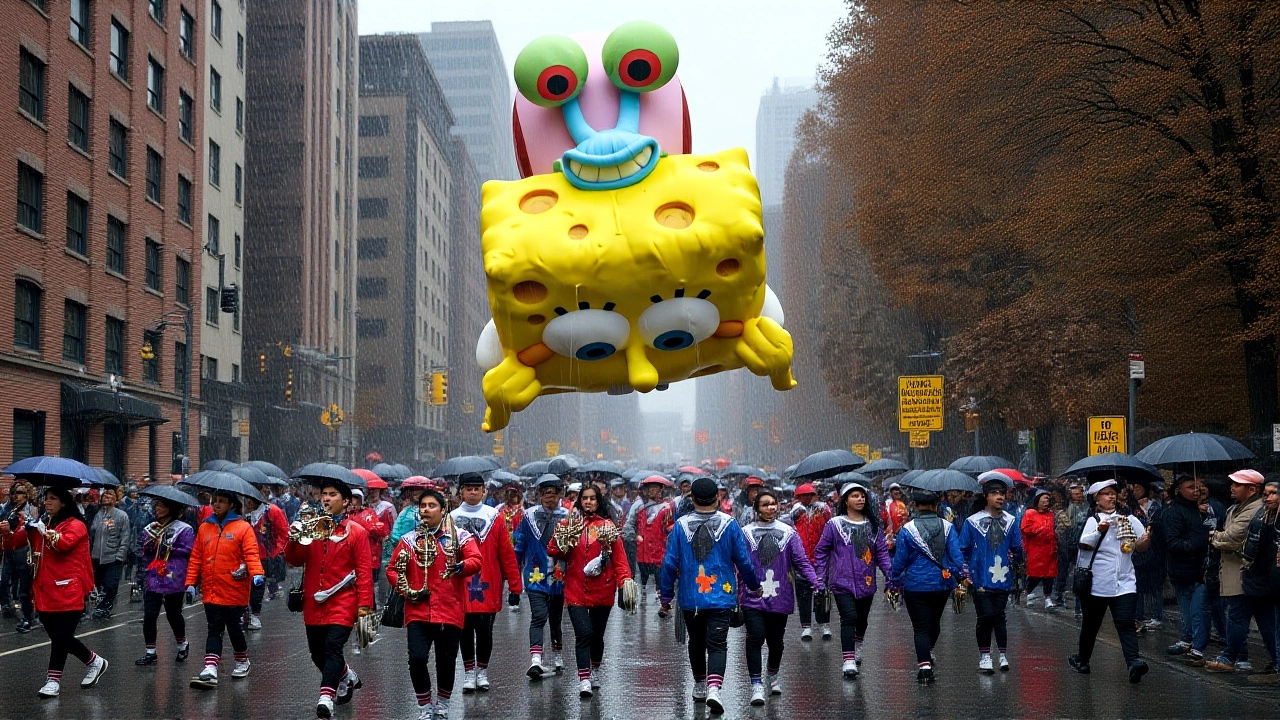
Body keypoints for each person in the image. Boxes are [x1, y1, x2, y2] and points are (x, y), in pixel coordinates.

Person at [659, 477, 762, 715]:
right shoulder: (730, 524)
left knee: (696, 642)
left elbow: (669, 564)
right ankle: (714, 689)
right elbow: (743, 561)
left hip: (690, 597)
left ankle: (699, 684)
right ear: (718, 497)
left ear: (692, 499)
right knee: (717, 645)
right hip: (722, 595)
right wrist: (754, 585)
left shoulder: (680, 526)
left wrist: (666, 596)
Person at [386, 486, 483, 720]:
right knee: (417, 659)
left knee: (446, 660)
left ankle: (442, 705)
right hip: (417, 611)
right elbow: (392, 569)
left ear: (443, 510)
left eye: (432, 506)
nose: (426, 510)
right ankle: (424, 706)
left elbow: (476, 559)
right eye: (423, 506)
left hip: (449, 610)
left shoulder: (459, 536)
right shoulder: (409, 540)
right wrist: (407, 589)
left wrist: (462, 566)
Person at [285, 480, 375, 718]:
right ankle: (346, 675)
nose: (325, 498)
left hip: (343, 601)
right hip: (313, 601)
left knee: (332, 647)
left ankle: (326, 697)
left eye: (332, 494)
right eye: (323, 494)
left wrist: (365, 606)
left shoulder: (357, 532)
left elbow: (364, 571)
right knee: (316, 653)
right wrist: (293, 539)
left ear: (345, 501)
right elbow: (294, 560)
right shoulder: (311, 528)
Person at [547, 484, 633, 698]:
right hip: (575, 590)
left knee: (597, 636)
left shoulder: (608, 527)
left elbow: (619, 559)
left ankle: (594, 670)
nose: (587, 502)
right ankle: (584, 679)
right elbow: (552, 550)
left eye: (592, 498)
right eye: (584, 498)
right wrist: (563, 543)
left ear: (598, 501)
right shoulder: (569, 524)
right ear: (579, 501)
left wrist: (625, 582)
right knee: (583, 634)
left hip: (602, 590)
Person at [739, 489, 820, 703]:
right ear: (756, 508)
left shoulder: (788, 532)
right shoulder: (745, 532)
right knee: (755, 637)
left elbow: (801, 561)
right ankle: (756, 684)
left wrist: (815, 581)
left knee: (776, 641)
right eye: (765, 504)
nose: (770, 508)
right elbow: (737, 563)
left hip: (780, 594)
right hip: (752, 595)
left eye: (773, 504)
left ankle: (772, 675)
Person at [1067, 479, 1151, 683]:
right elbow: (1083, 545)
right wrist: (1099, 531)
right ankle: (1083, 659)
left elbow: (1141, 546)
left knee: (1125, 623)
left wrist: (1145, 539)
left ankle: (1133, 663)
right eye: (1105, 494)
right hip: (1096, 583)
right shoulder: (1093, 520)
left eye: (1113, 493)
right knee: (1091, 625)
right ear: (1096, 500)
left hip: (1124, 582)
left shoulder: (1129, 519)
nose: (1111, 496)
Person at [29, 486, 108, 697]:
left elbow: (63, 543)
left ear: (64, 502)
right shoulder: (45, 523)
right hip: (44, 589)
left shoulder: (76, 524)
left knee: (61, 636)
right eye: (45, 499)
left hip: (69, 588)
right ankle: (94, 661)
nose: (47, 502)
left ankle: (53, 681)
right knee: (58, 636)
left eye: (53, 498)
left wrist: (45, 532)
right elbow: (26, 546)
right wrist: (10, 532)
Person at [450, 472, 522, 693]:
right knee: (464, 630)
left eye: (477, 488)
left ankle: (482, 670)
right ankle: (469, 672)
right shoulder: (450, 518)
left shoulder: (495, 516)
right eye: (468, 488)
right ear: (461, 491)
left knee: (484, 630)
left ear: (483, 491)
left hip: (488, 582)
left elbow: (506, 553)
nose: (473, 492)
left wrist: (515, 585)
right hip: (459, 582)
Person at [186, 490, 264, 689]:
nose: (216, 504)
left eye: (221, 501)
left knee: (234, 628)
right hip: (211, 589)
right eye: (214, 501)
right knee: (214, 628)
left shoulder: (243, 528)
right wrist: (191, 583)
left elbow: (251, 554)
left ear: (231, 505)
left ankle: (242, 660)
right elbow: (196, 557)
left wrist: (256, 574)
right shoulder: (205, 527)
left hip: (234, 589)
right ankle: (210, 667)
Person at [814, 481, 892, 680]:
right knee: (848, 618)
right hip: (842, 582)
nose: (860, 499)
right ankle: (848, 660)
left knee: (861, 620)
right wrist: (820, 578)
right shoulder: (834, 524)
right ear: (846, 501)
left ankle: (858, 645)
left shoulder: (873, 526)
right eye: (855, 496)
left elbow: (881, 553)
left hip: (867, 582)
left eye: (862, 496)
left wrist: (892, 576)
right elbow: (821, 551)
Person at [889, 489, 967, 683]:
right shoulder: (948, 527)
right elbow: (957, 558)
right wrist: (960, 576)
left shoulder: (907, 529)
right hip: (941, 584)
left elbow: (899, 561)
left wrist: (895, 582)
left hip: (915, 585)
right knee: (934, 622)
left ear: (914, 505)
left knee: (920, 628)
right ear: (937, 505)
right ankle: (929, 651)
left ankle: (924, 666)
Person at [959, 478, 1024, 673]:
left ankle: (1003, 655)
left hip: (1003, 576)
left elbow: (1017, 547)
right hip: (979, 577)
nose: (1000, 497)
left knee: (999, 616)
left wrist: (1016, 559)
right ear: (986, 496)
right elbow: (962, 549)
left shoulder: (1011, 520)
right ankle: (985, 656)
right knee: (985, 616)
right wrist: (965, 572)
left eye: (1002, 494)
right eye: (995, 493)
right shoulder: (972, 522)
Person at [1205, 469, 1266, 673]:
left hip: (1244, 573)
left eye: (1237, 484)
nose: (1232, 487)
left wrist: (1214, 537)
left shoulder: (1254, 510)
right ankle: (1244, 658)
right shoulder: (1235, 508)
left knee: (1238, 617)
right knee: (1261, 620)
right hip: (1235, 573)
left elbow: (1231, 538)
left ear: (1252, 489)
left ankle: (1229, 657)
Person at [513, 474, 568, 678]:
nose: (549, 498)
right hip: (535, 576)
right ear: (538, 495)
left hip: (559, 577)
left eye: (553, 494)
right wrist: (514, 575)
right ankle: (536, 659)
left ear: (560, 494)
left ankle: (557, 654)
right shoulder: (527, 516)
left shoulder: (568, 516)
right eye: (545, 494)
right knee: (538, 616)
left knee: (555, 619)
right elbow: (519, 545)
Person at [134, 496, 195, 666]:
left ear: (170, 508)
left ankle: (182, 643)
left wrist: (168, 546)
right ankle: (150, 652)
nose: (157, 508)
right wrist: (150, 545)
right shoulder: (150, 528)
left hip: (174, 577)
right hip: (153, 577)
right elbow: (141, 551)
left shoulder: (184, 529)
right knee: (149, 615)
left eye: (161, 505)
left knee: (173, 614)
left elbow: (189, 550)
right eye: (156, 505)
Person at [1163, 475, 1214, 664]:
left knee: (1199, 609)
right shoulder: (1174, 512)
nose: (1196, 491)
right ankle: (1189, 639)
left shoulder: (1202, 510)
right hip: (1183, 569)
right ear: (1179, 490)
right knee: (1188, 610)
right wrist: (1199, 541)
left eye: (1199, 487)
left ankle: (1197, 646)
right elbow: (1173, 542)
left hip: (1202, 571)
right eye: (1190, 487)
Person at [1241, 479, 1280, 674]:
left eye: (1273, 493)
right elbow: (1252, 545)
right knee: (1269, 625)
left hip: (1274, 577)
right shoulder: (1261, 516)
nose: (1268, 497)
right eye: (1265, 493)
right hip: (1261, 577)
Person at [786, 483, 832, 640]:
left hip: (821, 559)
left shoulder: (823, 510)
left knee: (822, 592)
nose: (807, 498)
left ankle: (824, 623)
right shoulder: (795, 514)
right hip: (801, 559)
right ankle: (806, 626)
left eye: (810, 495)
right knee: (803, 594)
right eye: (803, 496)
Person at [244, 489, 289, 629]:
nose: (248, 503)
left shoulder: (272, 511)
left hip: (264, 557)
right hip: (244, 556)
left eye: (251, 499)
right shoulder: (243, 514)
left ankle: (255, 615)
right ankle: (245, 614)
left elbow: (283, 533)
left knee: (257, 587)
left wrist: (275, 552)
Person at [626, 476, 675, 602]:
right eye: (651, 488)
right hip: (642, 549)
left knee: (659, 575)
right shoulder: (638, 505)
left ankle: (663, 602)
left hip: (659, 548)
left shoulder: (666, 507)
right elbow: (629, 525)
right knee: (643, 576)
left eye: (657, 488)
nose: (654, 491)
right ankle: (641, 599)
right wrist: (635, 536)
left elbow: (669, 526)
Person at [88, 487, 132, 619]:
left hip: (113, 557)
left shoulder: (121, 516)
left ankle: (105, 607)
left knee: (110, 584)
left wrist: (120, 556)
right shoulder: (97, 514)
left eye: (110, 495)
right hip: (96, 557)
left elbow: (125, 537)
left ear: (116, 499)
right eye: (104, 495)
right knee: (97, 584)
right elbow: (92, 534)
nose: (106, 497)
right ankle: (98, 606)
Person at [0, 481, 38, 631]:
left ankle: (28, 616)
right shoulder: (9, 508)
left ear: (27, 495)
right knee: (4, 582)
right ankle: (7, 606)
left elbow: (34, 529)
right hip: (9, 550)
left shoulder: (33, 509)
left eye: (21, 493)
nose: (17, 496)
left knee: (24, 587)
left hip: (25, 551)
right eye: (15, 493)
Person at [346, 488, 388, 609]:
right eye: (352, 498)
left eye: (356, 498)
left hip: (369, 555)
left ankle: (369, 610)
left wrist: (364, 526)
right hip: (349, 556)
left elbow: (381, 530)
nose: (354, 501)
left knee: (368, 584)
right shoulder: (344, 514)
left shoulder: (369, 512)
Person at [1020, 490, 1058, 610]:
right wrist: (1040, 528)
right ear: (1038, 501)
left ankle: (1047, 598)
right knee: (1034, 576)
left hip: (1050, 551)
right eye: (1044, 499)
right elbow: (1025, 528)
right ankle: (1027, 592)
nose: (1046, 501)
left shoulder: (1051, 514)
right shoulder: (1030, 513)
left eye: (1048, 499)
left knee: (1049, 576)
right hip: (1035, 551)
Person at [881, 483, 909, 553]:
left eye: (898, 490)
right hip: (887, 536)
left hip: (900, 535)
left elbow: (905, 519)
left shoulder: (901, 504)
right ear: (890, 492)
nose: (897, 492)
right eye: (895, 490)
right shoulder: (885, 504)